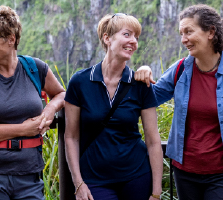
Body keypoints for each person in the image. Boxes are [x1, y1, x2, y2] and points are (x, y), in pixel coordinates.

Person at [136, 4, 223, 199]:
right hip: (185, 172)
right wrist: (142, 70)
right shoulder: (180, 70)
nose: (183, 39)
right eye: (181, 33)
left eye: (189, 31)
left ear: (211, 32)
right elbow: (150, 96)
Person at [0, 6, 66, 200]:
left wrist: (50, 109)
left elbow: (61, 94)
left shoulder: (35, 68)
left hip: (29, 176)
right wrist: (22, 129)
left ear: (11, 39)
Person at [64, 13, 163, 200]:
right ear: (107, 38)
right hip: (94, 178)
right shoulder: (80, 82)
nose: (133, 41)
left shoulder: (141, 84)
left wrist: (156, 194)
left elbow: (153, 140)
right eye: (127, 34)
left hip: (137, 175)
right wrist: (78, 184)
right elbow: (71, 136)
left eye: (136, 37)